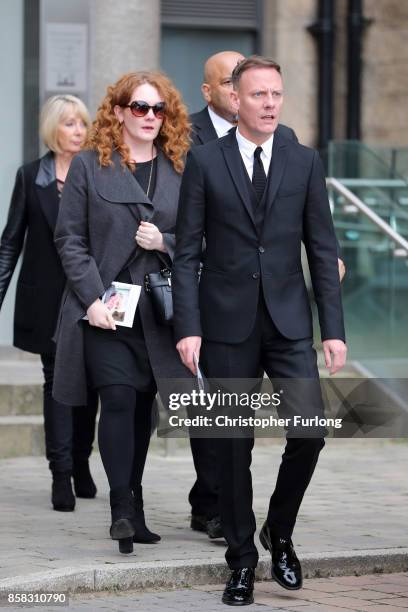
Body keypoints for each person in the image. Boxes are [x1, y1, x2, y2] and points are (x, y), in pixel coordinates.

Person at [173, 56, 347, 605]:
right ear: (235, 100)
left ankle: (281, 531)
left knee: (311, 432)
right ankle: (242, 562)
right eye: (258, 95)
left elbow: (322, 248)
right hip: (224, 323)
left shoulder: (304, 160)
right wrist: (189, 327)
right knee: (232, 445)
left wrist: (333, 329)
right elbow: (185, 254)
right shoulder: (205, 161)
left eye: (276, 94)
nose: (270, 103)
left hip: (290, 320)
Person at [52, 71, 191, 554]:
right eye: (140, 108)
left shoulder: (181, 167)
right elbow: (69, 238)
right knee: (115, 399)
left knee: (141, 410)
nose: (150, 117)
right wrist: (90, 299)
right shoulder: (91, 165)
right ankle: (120, 508)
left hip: (158, 311)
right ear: (118, 112)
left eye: (159, 110)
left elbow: (204, 239)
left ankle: (136, 503)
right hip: (105, 310)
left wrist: (165, 242)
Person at [0, 95, 98, 512]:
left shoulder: (100, 172)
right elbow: (11, 243)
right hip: (45, 299)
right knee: (56, 382)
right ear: (52, 130)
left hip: (89, 295)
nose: (78, 131)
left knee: (90, 384)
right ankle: (60, 472)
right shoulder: (30, 177)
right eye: (70, 124)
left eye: (82, 123)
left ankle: (80, 459)